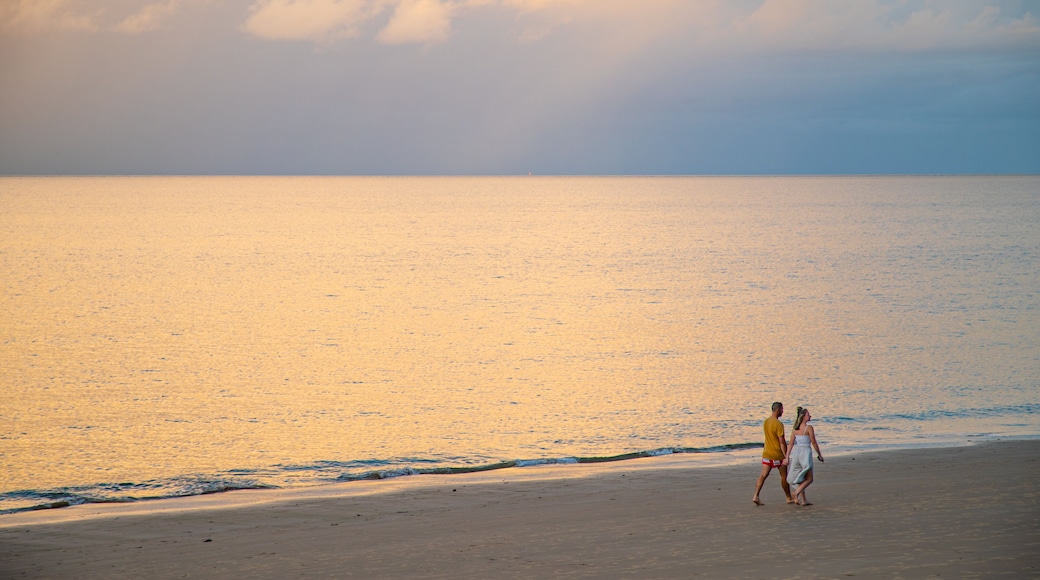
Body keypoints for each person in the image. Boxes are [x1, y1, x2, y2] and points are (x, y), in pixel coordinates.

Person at [752, 402, 794, 505]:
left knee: (763, 474)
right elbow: (782, 442)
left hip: (767, 453)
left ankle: (756, 495)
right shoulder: (778, 424)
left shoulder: (766, 422)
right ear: (777, 409)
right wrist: (786, 456)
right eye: (782, 409)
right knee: (784, 475)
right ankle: (788, 497)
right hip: (777, 454)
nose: (783, 411)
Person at [783, 406, 824, 506]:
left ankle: (803, 500)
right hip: (805, 452)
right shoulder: (809, 428)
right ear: (803, 417)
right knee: (809, 478)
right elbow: (813, 442)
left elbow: (791, 444)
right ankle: (796, 493)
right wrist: (819, 454)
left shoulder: (795, 429)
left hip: (797, 453)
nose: (810, 416)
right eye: (808, 414)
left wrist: (787, 456)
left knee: (801, 476)